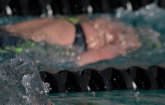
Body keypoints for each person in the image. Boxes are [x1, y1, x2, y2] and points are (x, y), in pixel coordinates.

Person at [0, 16, 141, 66]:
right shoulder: (119, 46)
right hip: (75, 41)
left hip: (68, 26)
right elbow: (78, 61)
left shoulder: (99, 22)